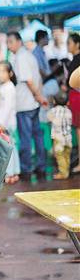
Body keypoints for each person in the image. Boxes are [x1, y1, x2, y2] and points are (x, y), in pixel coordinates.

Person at [7, 31, 48, 181]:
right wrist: (39, 97)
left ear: (18, 41)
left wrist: (38, 96)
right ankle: (41, 166)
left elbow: (29, 80)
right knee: (37, 136)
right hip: (32, 103)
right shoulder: (28, 55)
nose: (8, 45)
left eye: (10, 42)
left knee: (26, 137)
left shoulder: (21, 57)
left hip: (26, 104)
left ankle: (26, 169)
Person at [0, 61, 21, 184]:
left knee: (7, 148)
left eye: (3, 71)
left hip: (7, 123)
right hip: (4, 122)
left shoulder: (9, 87)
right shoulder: (4, 87)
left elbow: (8, 107)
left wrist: (2, 123)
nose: (0, 74)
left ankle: (10, 173)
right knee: (11, 148)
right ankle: (14, 172)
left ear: (10, 73)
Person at [47, 91, 73, 180]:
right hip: (68, 138)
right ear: (67, 102)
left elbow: (49, 118)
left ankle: (63, 173)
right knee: (67, 155)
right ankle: (66, 170)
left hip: (58, 138)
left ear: (54, 101)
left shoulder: (53, 111)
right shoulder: (69, 111)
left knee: (60, 156)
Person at [64, 33, 80, 174]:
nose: (67, 46)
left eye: (69, 43)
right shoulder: (74, 59)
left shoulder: (77, 59)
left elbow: (71, 81)